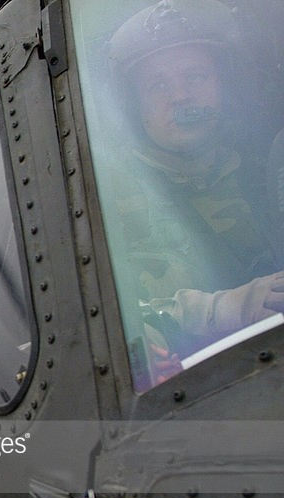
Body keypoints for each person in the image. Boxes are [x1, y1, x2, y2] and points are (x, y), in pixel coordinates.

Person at [102, 0, 284, 385]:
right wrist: (225, 308)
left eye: (196, 77)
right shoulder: (103, 195)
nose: (181, 97)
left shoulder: (265, 164)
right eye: (159, 85)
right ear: (137, 107)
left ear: (222, 87)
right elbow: (103, 317)